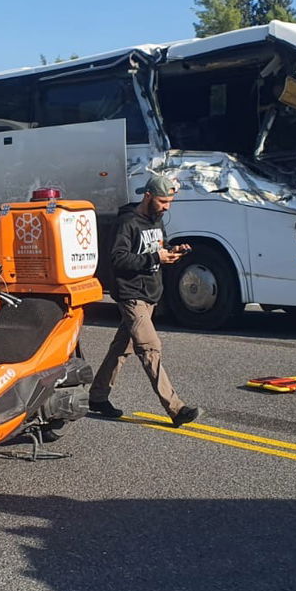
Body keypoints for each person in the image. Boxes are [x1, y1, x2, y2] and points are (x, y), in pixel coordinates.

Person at [87, 172, 202, 427]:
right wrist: (155, 259)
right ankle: (176, 408)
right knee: (151, 348)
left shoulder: (155, 220)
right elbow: (117, 258)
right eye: (162, 202)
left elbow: (156, 248)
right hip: (131, 295)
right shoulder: (127, 222)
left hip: (150, 294)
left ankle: (97, 396)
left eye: (169, 203)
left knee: (121, 348)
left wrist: (172, 251)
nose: (166, 207)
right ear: (148, 196)